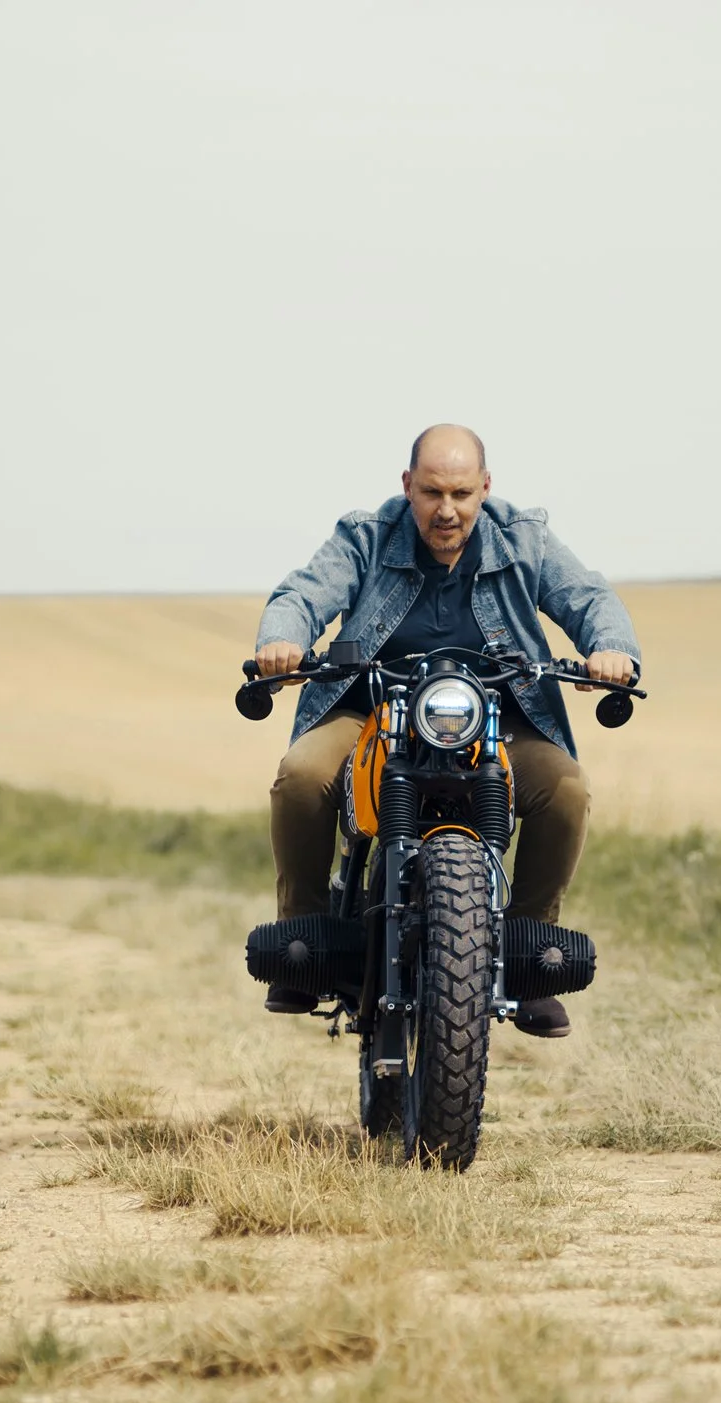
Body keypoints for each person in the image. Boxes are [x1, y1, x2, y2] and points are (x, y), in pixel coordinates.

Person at [252, 424, 642, 1039]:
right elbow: (303, 593)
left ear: (486, 488)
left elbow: (589, 597)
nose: (447, 509)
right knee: (300, 776)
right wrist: (284, 638)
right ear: (407, 487)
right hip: (374, 711)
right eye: (432, 492)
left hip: (499, 716)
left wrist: (611, 649)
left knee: (567, 790)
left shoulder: (523, 538)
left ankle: (525, 954)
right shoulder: (367, 535)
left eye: (462, 493)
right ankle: (307, 940)